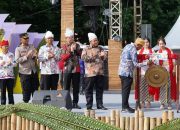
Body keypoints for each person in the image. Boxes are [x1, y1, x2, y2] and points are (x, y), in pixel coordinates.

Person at [118, 38, 151, 113]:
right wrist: (146, 63)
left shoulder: (127, 46)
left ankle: (125, 106)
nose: (140, 48)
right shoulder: (133, 49)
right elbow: (136, 64)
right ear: (138, 44)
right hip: (127, 73)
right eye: (140, 47)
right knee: (126, 91)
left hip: (121, 71)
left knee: (124, 90)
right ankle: (125, 107)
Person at [81, 32, 108, 110]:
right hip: (90, 73)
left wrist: (104, 56)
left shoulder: (101, 48)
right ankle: (89, 105)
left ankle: (100, 105)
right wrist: (96, 56)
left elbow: (105, 58)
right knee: (89, 89)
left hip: (100, 72)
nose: (96, 42)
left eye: (97, 40)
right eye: (94, 40)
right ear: (90, 41)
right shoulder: (86, 49)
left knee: (100, 89)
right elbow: (84, 58)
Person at [60, 28, 81, 109]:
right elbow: (63, 58)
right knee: (66, 87)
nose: (71, 39)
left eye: (72, 37)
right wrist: (71, 51)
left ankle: (75, 103)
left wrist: (76, 50)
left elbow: (80, 54)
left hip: (76, 69)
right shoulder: (64, 47)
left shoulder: (77, 45)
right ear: (66, 38)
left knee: (76, 87)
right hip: (67, 69)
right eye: (69, 37)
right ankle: (67, 103)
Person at [15, 33, 39, 103]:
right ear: (21, 39)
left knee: (35, 89)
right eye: (25, 39)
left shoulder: (32, 46)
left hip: (33, 71)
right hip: (24, 72)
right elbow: (17, 60)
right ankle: (26, 107)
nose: (27, 40)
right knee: (26, 90)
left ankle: (36, 107)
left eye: (27, 38)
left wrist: (34, 56)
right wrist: (26, 56)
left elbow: (35, 57)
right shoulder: (18, 49)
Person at [156, 37, 176, 110]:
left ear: (165, 43)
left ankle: (169, 103)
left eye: (162, 43)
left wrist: (173, 69)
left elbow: (173, 61)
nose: (161, 45)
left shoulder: (169, 51)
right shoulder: (157, 53)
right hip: (161, 72)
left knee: (169, 87)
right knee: (162, 87)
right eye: (160, 44)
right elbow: (157, 63)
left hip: (169, 71)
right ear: (158, 45)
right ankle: (162, 103)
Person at [136, 38, 154, 108]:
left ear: (149, 43)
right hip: (142, 72)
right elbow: (137, 62)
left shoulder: (152, 51)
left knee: (149, 87)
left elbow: (155, 61)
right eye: (145, 42)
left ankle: (148, 101)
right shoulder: (139, 51)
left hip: (150, 72)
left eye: (147, 42)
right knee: (142, 87)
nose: (146, 44)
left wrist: (151, 62)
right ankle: (142, 101)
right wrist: (145, 62)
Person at [0, 40, 15, 105]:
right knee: (3, 92)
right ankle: (3, 108)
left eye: (7, 46)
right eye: (4, 46)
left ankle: (11, 107)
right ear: (1, 47)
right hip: (2, 77)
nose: (6, 47)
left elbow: (15, 64)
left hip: (10, 76)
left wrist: (11, 62)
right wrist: (1, 63)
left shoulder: (11, 54)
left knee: (10, 92)